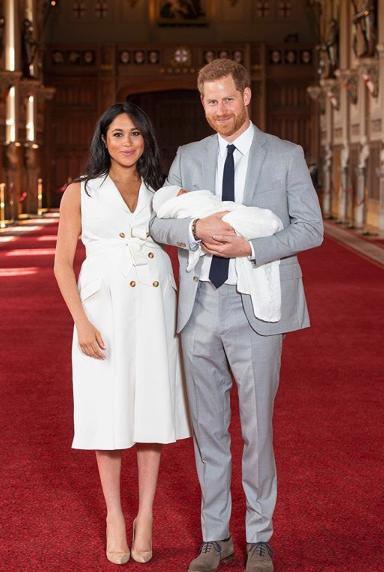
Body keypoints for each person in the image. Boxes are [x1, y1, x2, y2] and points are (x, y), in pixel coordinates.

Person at [150, 59, 324, 572]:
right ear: (201, 104)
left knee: (256, 429)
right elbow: (161, 223)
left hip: (257, 308)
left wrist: (250, 245)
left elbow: (310, 229)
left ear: (246, 97)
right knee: (207, 430)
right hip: (200, 306)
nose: (220, 110)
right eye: (210, 101)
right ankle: (215, 537)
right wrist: (194, 228)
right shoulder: (189, 155)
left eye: (228, 99)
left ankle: (260, 537)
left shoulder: (285, 155)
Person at [54, 102, 191, 566]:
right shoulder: (81, 191)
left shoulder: (163, 191)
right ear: (103, 140)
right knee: (109, 412)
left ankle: (146, 515)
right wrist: (81, 322)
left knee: (151, 409)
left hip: (155, 306)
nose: (128, 142)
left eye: (136, 134)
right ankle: (115, 513)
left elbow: (188, 231)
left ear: (146, 140)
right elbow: (61, 262)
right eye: (118, 134)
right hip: (104, 310)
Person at [153, 185, 283, 322]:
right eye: (183, 193)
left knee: (253, 219)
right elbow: (156, 226)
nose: (189, 193)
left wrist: (250, 248)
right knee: (251, 221)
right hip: (199, 296)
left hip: (246, 286)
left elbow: (307, 227)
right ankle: (267, 223)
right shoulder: (182, 171)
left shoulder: (288, 163)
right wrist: (196, 228)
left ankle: (267, 222)